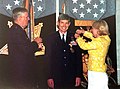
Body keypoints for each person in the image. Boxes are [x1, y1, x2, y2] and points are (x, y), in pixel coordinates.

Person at [7, 7, 43, 89]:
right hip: (21, 74)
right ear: (20, 18)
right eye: (27, 17)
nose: (29, 19)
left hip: (22, 73)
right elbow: (26, 49)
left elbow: (23, 48)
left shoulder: (17, 30)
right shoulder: (16, 31)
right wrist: (36, 43)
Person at [45, 13, 83, 89]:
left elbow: (78, 58)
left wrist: (78, 75)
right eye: (62, 22)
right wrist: (49, 77)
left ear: (69, 24)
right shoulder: (51, 38)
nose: (64, 25)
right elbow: (48, 59)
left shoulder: (75, 37)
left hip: (71, 76)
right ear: (58, 23)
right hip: (56, 76)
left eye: (66, 23)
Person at [75, 20, 111, 89]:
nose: (91, 30)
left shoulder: (99, 42)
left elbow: (84, 46)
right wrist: (84, 32)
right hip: (98, 73)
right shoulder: (105, 39)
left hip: (96, 74)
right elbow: (93, 37)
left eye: (92, 29)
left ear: (98, 30)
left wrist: (78, 38)